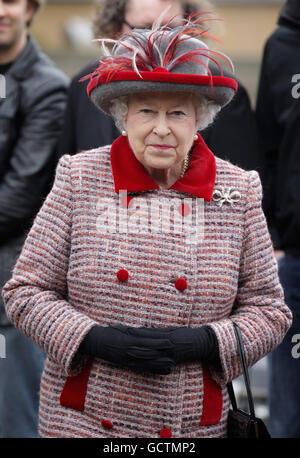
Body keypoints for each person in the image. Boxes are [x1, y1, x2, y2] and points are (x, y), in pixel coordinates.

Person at [2, 17, 292, 438]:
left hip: (189, 425)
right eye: (146, 111)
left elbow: (270, 312)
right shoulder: (79, 177)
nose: (161, 128)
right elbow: (24, 292)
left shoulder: (238, 191)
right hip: (84, 419)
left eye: (177, 112)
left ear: (200, 119)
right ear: (122, 116)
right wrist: (94, 340)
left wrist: (207, 343)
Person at [58, 0, 264, 179]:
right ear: (116, 29)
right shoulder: (86, 84)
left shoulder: (221, 89)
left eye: (171, 30)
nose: (158, 41)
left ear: (191, 29)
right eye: (144, 30)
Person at [0, 0, 68, 438]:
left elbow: (15, 201)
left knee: (14, 423)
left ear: (30, 8)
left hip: (7, 292)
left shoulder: (48, 87)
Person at [255, 0, 300, 438]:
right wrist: (273, 234)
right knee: (288, 414)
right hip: (296, 260)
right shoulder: (281, 45)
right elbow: (267, 149)